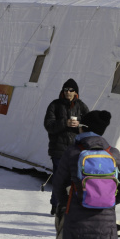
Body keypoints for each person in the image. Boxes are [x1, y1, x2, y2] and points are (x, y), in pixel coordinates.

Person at [53, 110, 120, 239]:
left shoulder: (72, 152)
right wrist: (107, 200)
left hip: (76, 223)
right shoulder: (113, 153)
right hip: (106, 227)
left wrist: (69, 203)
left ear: (83, 128)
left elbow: (58, 185)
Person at [44, 78, 90, 215]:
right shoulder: (55, 105)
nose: (68, 92)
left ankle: (70, 205)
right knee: (59, 178)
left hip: (76, 150)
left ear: (76, 92)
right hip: (59, 149)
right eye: (66, 90)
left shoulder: (81, 106)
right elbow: (49, 125)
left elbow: (89, 125)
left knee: (75, 179)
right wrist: (65, 123)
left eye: (71, 90)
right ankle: (56, 204)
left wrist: (79, 124)